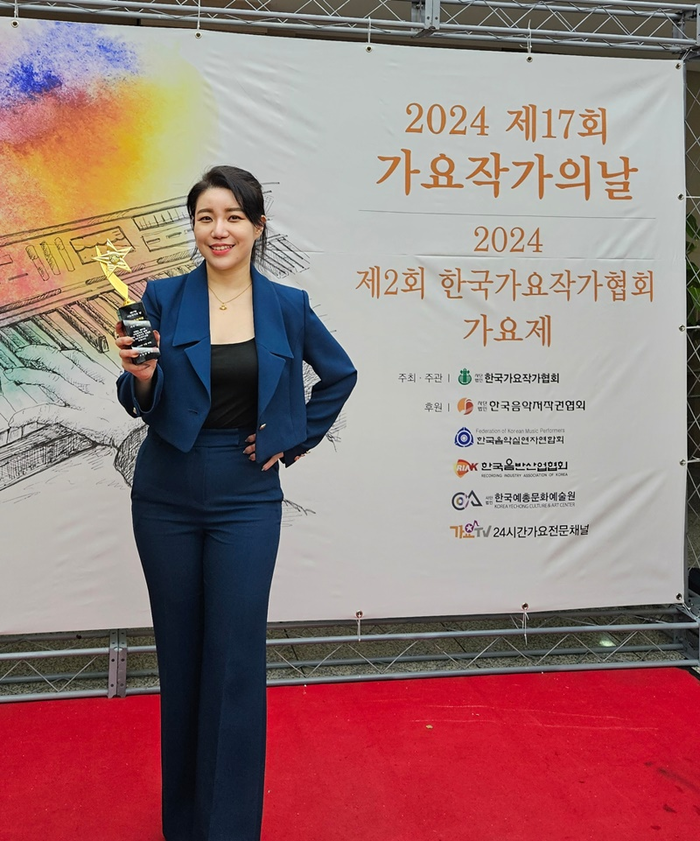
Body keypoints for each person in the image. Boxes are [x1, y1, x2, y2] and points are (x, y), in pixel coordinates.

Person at [114, 165, 357, 841]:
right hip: (165, 491)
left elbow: (339, 374)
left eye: (233, 217)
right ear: (193, 227)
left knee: (236, 659)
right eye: (205, 218)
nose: (218, 230)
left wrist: (291, 438)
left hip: (247, 494)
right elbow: (137, 397)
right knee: (180, 655)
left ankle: (227, 828)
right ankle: (184, 825)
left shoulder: (287, 305)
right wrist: (140, 376)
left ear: (256, 226)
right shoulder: (162, 297)